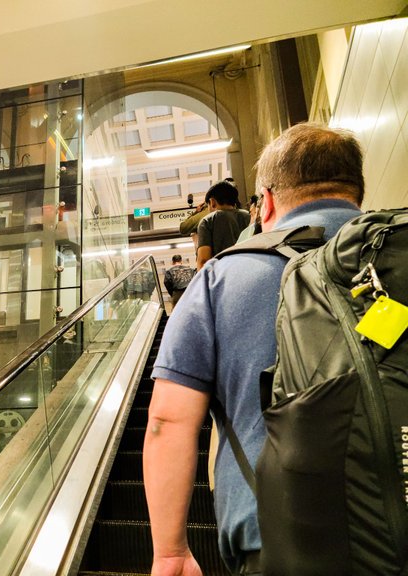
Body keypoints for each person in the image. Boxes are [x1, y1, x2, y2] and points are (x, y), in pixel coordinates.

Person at [142, 123, 364, 576]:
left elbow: (168, 420)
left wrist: (170, 551)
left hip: (278, 540)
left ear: (263, 202)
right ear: (357, 192)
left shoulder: (220, 279)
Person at [195, 180, 250, 269]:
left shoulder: (207, 221)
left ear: (212, 202)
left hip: (224, 277)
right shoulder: (249, 216)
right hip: (251, 272)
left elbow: (203, 261)